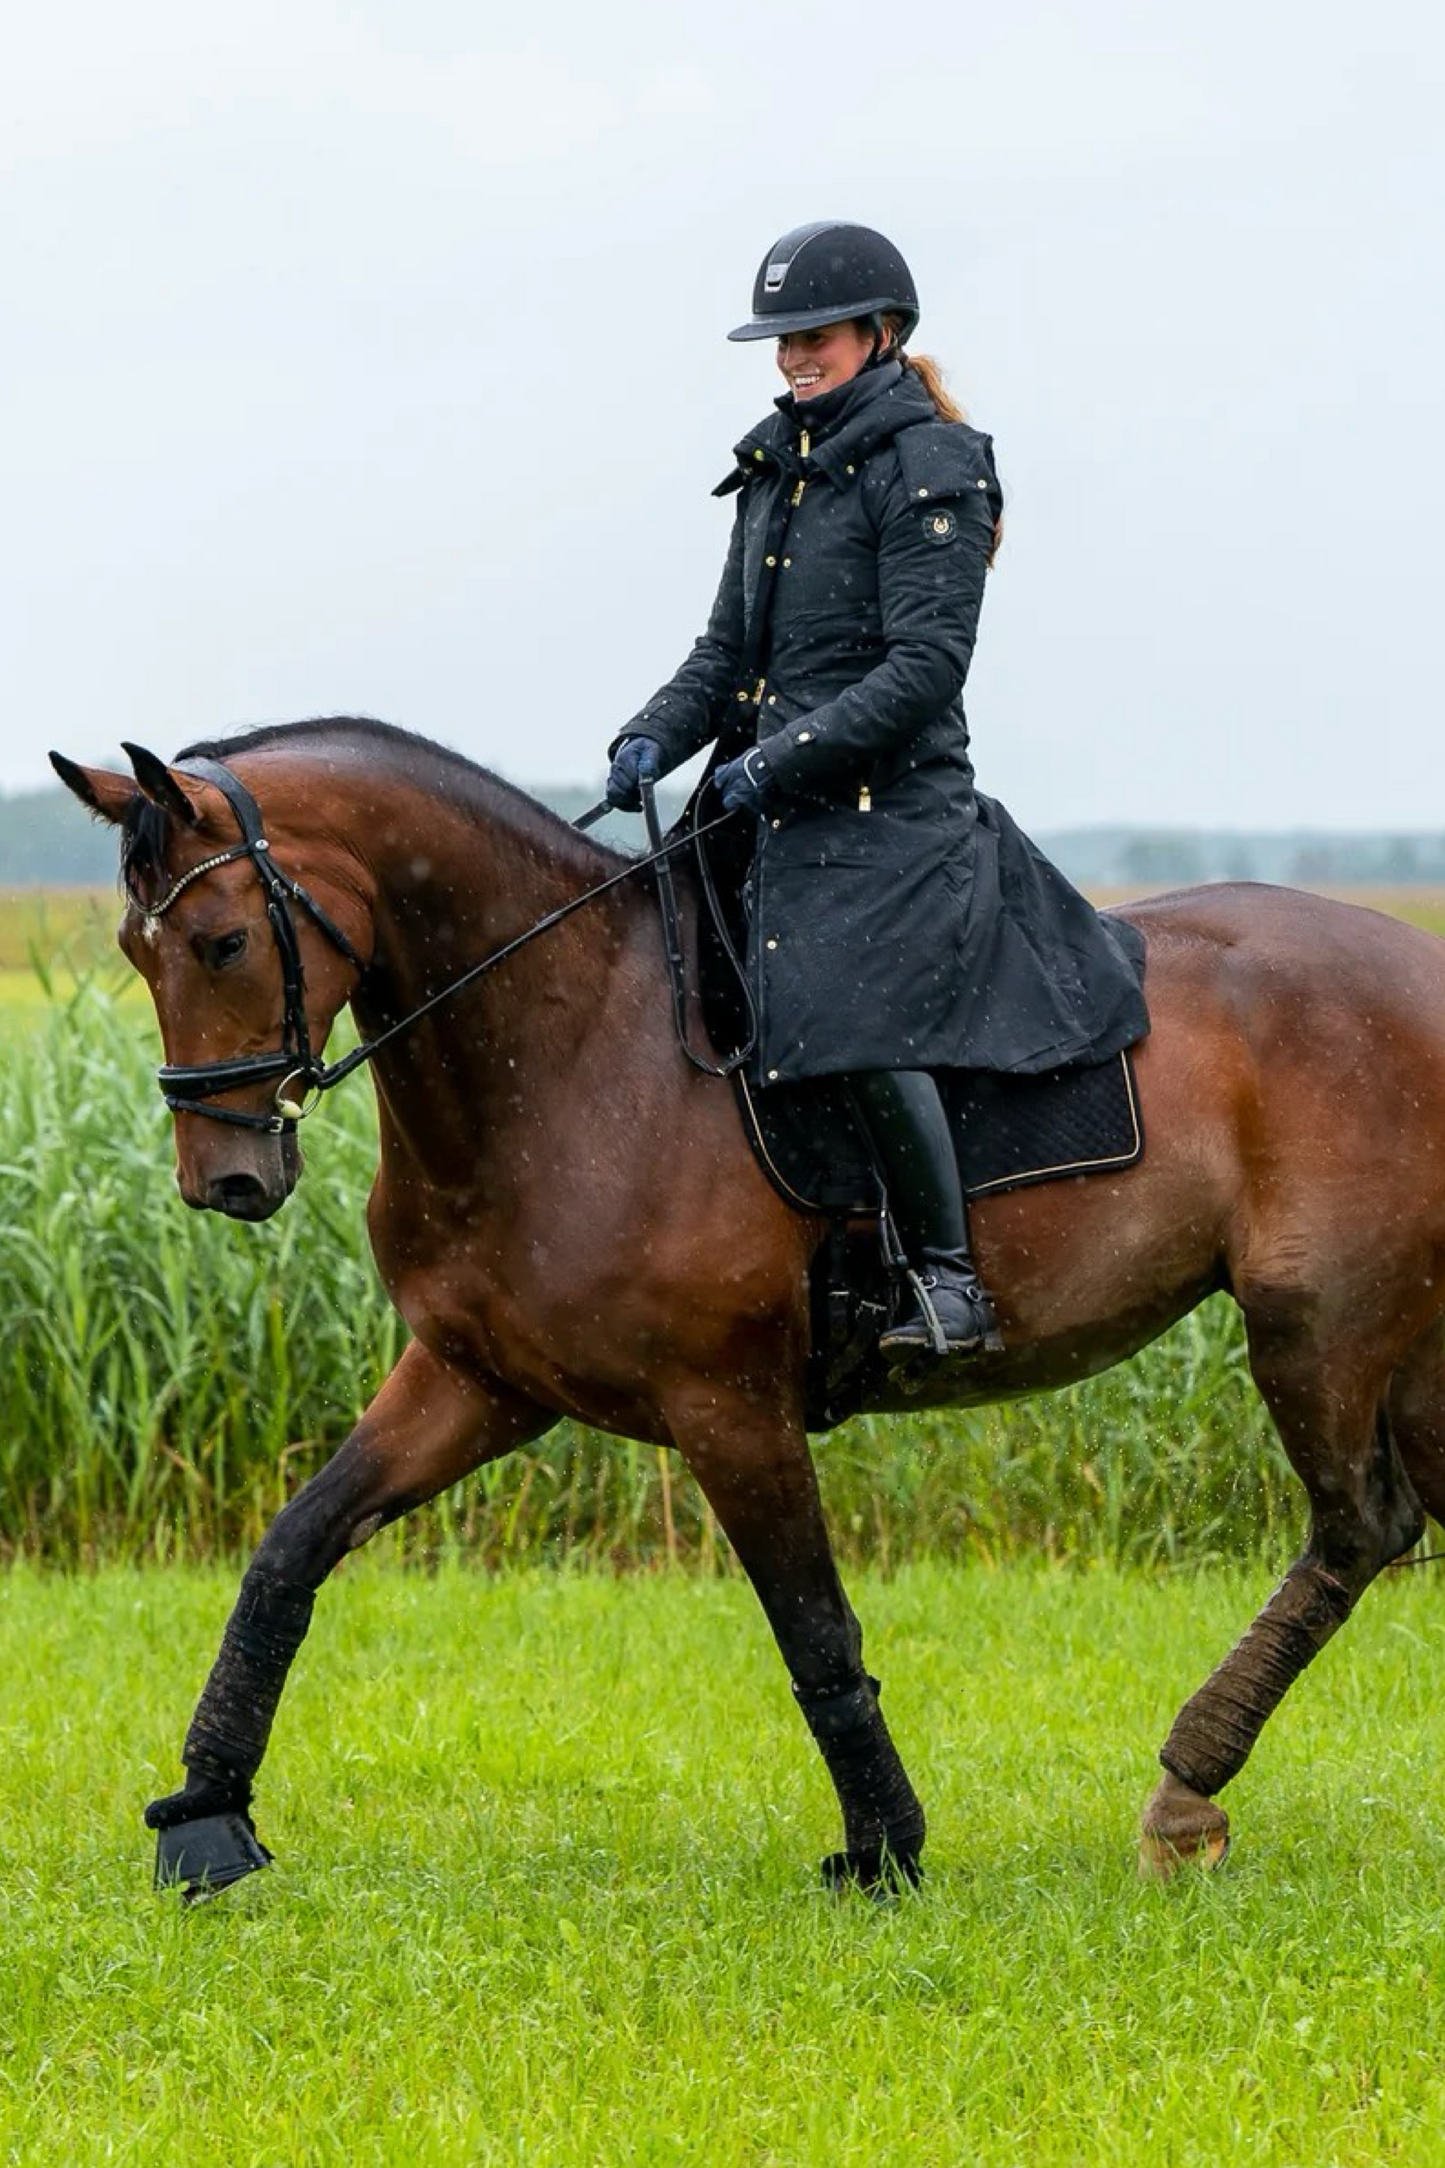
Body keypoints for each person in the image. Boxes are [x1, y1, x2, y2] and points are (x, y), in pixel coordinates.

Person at [605, 220, 1148, 1364]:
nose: (792, 357)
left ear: (880, 333)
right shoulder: (771, 465)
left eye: (813, 336)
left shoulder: (933, 467)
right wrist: (653, 735)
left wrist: (770, 760)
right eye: (781, 341)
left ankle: (947, 1280)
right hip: (772, 807)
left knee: (847, 1002)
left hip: (890, 817)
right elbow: (722, 655)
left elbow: (921, 670)